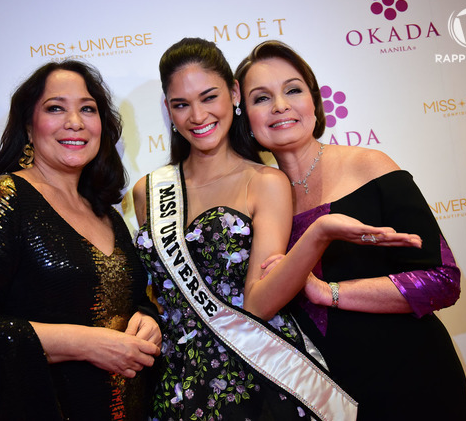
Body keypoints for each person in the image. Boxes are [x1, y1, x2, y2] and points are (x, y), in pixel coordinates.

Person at [132, 37, 421, 421]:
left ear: (233, 94)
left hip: (259, 373)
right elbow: (156, 290)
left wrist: (319, 232)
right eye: (181, 104)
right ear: (168, 109)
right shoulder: (148, 192)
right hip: (178, 381)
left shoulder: (265, 181)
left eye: (209, 97)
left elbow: (260, 302)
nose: (197, 116)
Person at [235, 40, 466, 421]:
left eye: (292, 90)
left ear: (314, 101)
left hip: (414, 379)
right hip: (324, 399)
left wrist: (325, 291)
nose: (280, 105)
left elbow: (442, 280)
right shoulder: (256, 200)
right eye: (261, 98)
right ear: (244, 117)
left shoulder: (370, 165)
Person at [0, 60, 161, 420]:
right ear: (28, 125)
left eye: (87, 108)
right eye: (56, 108)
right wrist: (86, 344)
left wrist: (148, 319)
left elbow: (130, 299)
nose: (75, 121)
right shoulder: (7, 198)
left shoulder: (106, 212)